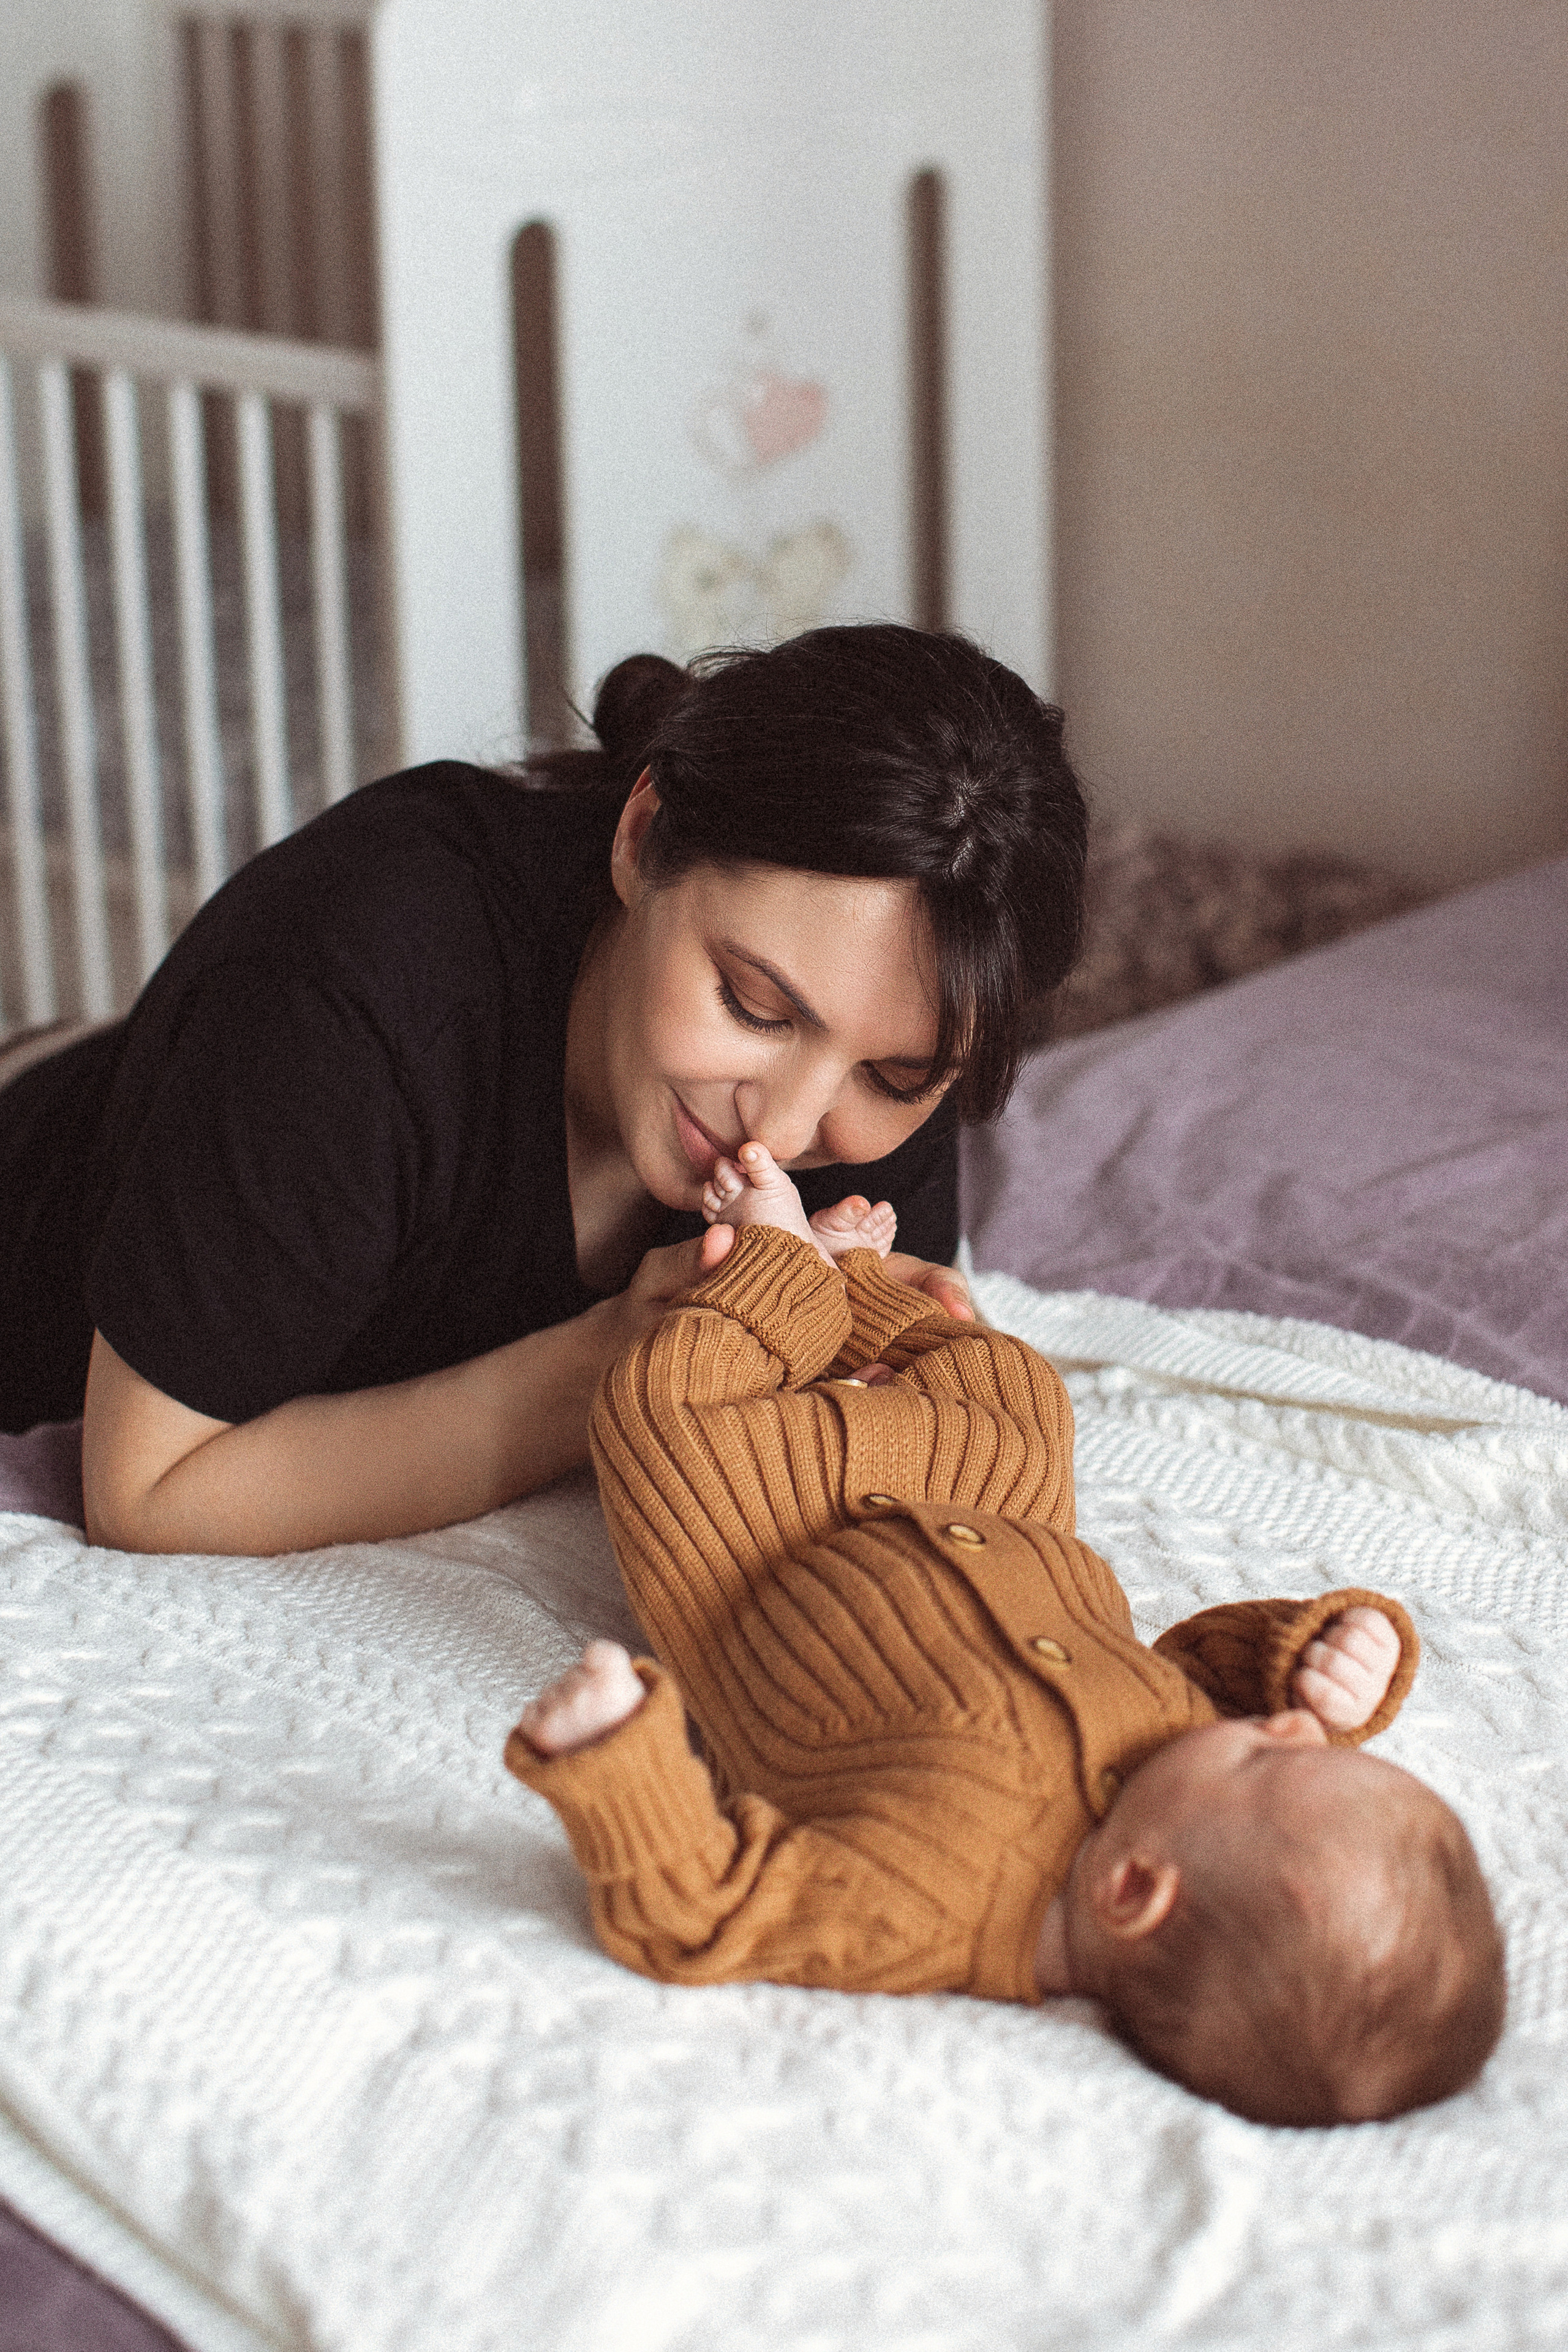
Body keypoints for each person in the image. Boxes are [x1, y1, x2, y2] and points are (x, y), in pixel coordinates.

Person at [0, 626, 1088, 1556]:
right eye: (755, 1007)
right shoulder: (356, 981)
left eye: (896, 1079)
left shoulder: (894, 1026)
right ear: (642, 834)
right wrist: (605, 1364)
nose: (792, 1127)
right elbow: (146, 1491)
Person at [507, 1142, 1507, 2127]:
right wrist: (1300, 1661)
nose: (1289, 1732)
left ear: (1132, 1891)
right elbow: (1195, 1668)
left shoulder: (931, 1901)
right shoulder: (1176, 1782)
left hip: (769, 1542)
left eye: (1261, 1758)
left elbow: (715, 1910)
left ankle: (777, 1272)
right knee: (1021, 1390)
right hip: (986, 1498)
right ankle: (857, 1285)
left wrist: (620, 1760)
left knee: (657, 1411)